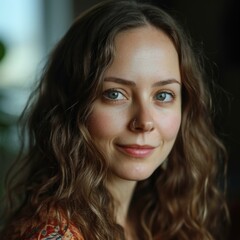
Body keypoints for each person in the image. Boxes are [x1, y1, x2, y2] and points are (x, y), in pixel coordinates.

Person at [0, 0, 229, 239]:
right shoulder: (53, 234)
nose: (144, 121)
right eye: (115, 94)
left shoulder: (158, 220)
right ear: (71, 106)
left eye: (163, 95)